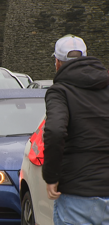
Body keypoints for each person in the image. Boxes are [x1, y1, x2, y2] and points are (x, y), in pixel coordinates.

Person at [43, 34, 109, 224]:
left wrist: (51, 176)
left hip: (77, 192)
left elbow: (55, 130)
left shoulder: (59, 91)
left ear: (57, 62)